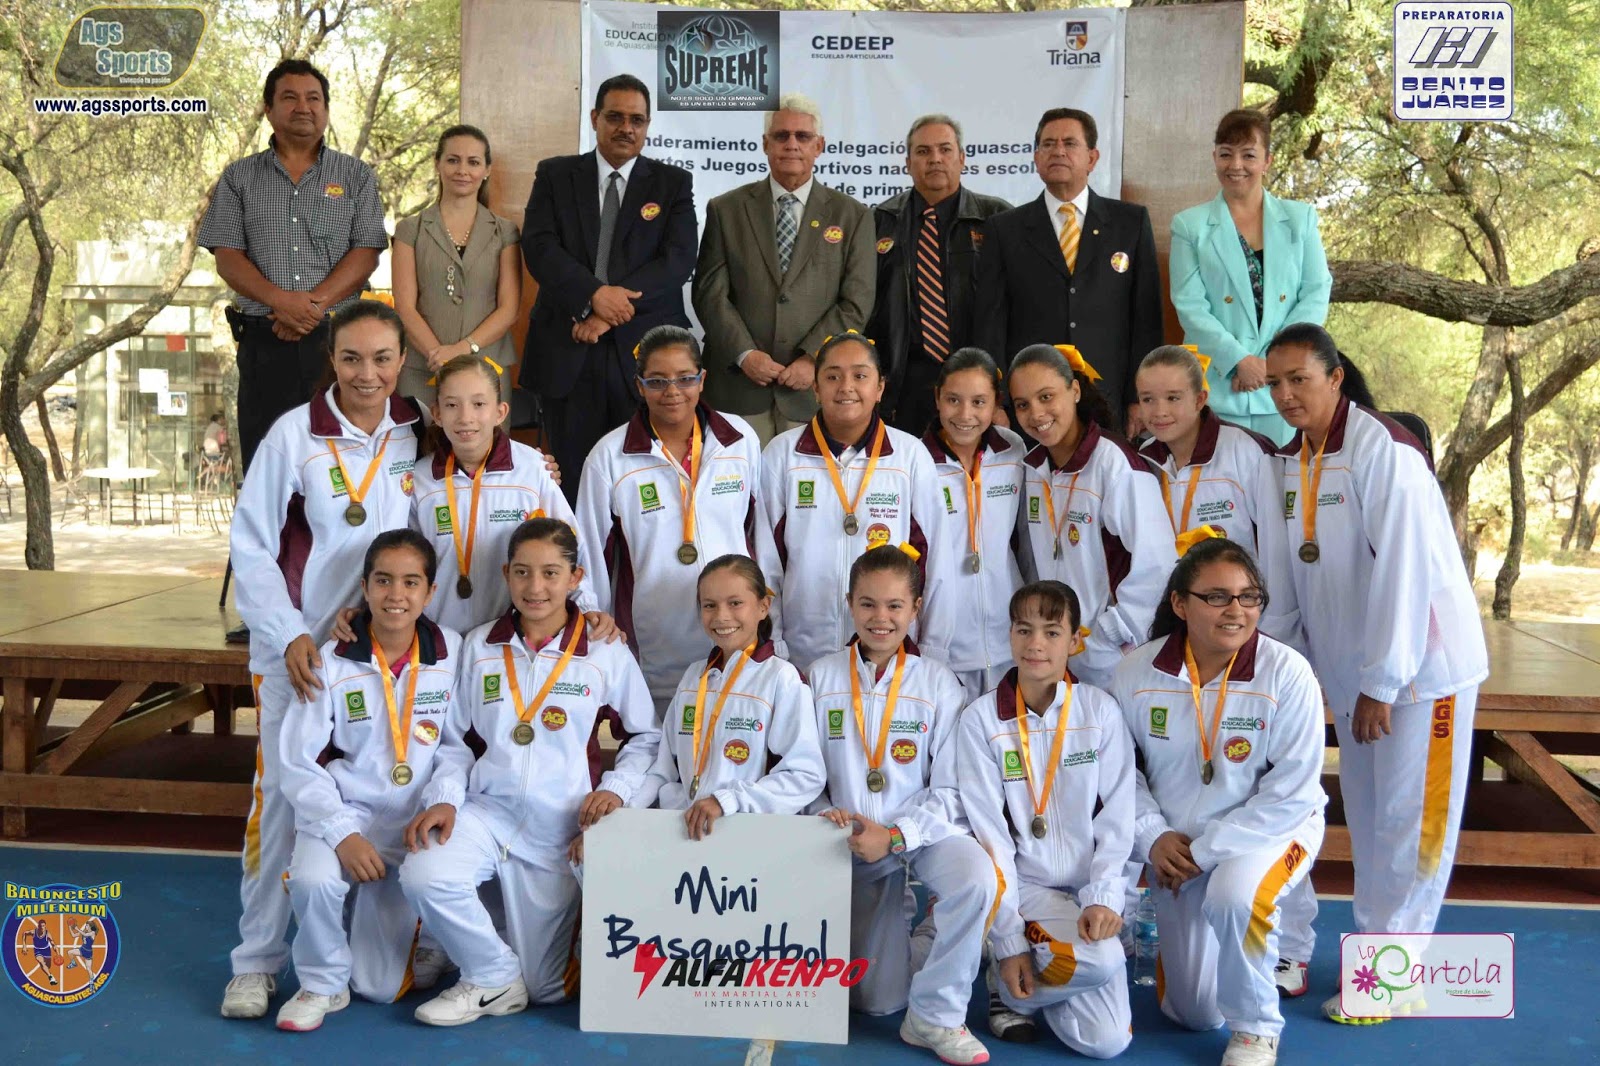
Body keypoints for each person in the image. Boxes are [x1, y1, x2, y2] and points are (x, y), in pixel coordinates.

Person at [1256, 323, 1487, 1025]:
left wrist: (1383, 683)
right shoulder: (1290, 462)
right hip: (1353, 678)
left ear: (1335, 376)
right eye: (1275, 382)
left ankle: (1392, 973)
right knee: (1369, 816)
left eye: (1299, 378)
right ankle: (1377, 950)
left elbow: (1405, 571)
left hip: (1423, 676)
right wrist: (1286, 673)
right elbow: (1284, 583)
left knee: (1411, 823)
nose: (1286, 394)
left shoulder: (1384, 450)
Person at [221, 300, 425, 1021]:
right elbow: (251, 545)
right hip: (301, 659)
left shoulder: (416, 432)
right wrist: (287, 635)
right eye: (351, 358)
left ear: (402, 361)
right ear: (330, 360)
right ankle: (255, 963)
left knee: (390, 789)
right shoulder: (293, 436)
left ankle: (384, 946)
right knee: (280, 803)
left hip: (383, 655)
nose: (367, 374)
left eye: (382, 359)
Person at [400, 518, 661, 1026]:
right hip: (487, 814)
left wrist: (617, 791)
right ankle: (492, 973)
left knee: (547, 992)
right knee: (424, 870)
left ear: (575, 577)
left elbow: (646, 737)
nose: (535, 586)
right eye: (522, 572)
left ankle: (505, 951)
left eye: (550, 573)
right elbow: (455, 741)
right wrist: (446, 798)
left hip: (558, 829)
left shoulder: (604, 649)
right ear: (506, 574)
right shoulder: (480, 645)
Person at [1110, 539, 1326, 1066]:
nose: (1237, 610)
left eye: (1249, 597)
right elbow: (1118, 774)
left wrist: (1206, 853)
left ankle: (1256, 1028)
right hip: (1175, 846)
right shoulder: (1135, 673)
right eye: (1218, 597)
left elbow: (1292, 790)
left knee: (1235, 898)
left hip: (1273, 832)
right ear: (1180, 604)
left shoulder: (1287, 672)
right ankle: (1220, 978)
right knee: (1194, 1013)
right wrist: (1153, 836)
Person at [809, 546, 997, 1066]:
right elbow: (806, 774)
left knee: (977, 878)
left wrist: (898, 835)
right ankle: (923, 935)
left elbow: (953, 789)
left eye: (895, 605)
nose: (881, 618)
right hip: (849, 844)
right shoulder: (819, 677)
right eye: (868, 604)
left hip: (921, 835)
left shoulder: (939, 682)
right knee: (875, 1000)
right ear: (849, 604)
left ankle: (935, 1015)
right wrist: (828, 817)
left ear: (915, 608)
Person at [275, 530, 468, 1032]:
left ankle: (423, 938)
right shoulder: (330, 658)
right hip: (347, 810)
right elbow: (297, 760)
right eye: (383, 581)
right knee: (313, 879)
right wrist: (342, 832)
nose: (395, 595)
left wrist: (444, 799)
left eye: (410, 582)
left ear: (430, 591)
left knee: (379, 987)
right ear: (364, 587)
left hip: (413, 819)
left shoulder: (451, 651)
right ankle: (321, 982)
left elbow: (457, 745)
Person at [956, 581, 1135, 1059]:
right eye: (1024, 629)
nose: (1036, 644)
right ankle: (1012, 970)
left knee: (1107, 1043)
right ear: (1009, 635)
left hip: (1088, 888)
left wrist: (1104, 895)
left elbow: (1118, 818)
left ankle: (1019, 991)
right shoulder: (981, 721)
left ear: (1075, 641)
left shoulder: (1099, 711)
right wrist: (1009, 936)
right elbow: (990, 837)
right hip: (1028, 889)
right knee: (1102, 961)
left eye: (1052, 632)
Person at [199, 59, 388, 470]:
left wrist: (311, 306)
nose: (304, 107)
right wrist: (281, 302)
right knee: (269, 465)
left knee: (344, 465)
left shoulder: (355, 175)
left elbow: (367, 251)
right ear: (269, 109)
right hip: (265, 343)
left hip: (341, 346)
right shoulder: (239, 178)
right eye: (290, 97)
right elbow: (227, 256)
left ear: (326, 109)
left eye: (313, 98)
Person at [522, 73, 697, 503]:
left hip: (642, 358)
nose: (626, 128)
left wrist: (605, 313)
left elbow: (677, 261)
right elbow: (540, 247)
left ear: (647, 125)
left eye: (637, 120)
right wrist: (592, 297)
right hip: (568, 350)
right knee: (571, 483)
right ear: (594, 118)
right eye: (615, 117)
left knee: (643, 486)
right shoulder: (555, 175)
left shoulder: (673, 183)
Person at [576, 327, 763, 712]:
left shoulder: (740, 439)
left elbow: (759, 534)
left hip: (736, 627)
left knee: (737, 730)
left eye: (685, 378)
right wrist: (595, 619)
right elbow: (590, 551)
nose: (673, 391)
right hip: (655, 637)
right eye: (658, 381)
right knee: (665, 735)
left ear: (702, 379)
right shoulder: (609, 457)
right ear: (639, 386)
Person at [756, 332, 950, 672]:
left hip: (890, 648)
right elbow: (766, 559)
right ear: (815, 388)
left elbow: (936, 557)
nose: (846, 387)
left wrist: (932, 647)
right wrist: (774, 639)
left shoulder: (909, 456)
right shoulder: (782, 455)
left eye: (860, 375)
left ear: (880, 388)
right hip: (803, 648)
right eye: (832, 376)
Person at [694, 93, 876, 445]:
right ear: (766, 144)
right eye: (781, 136)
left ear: (819, 146)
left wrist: (814, 359)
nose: (792, 144)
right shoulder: (726, 209)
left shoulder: (853, 215)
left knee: (812, 482)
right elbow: (709, 294)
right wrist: (745, 354)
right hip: (738, 387)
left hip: (815, 391)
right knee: (737, 482)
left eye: (802, 136)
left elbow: (857, 301)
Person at [974, 108, 1161, 435]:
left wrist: (1140, 398)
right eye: (1048, 144)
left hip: (1108, 397)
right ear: (1036, 158)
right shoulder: (1005, 229)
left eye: (1070, 143)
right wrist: (997, 400)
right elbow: (991, 324)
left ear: (1092, 158)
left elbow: (1146, 321)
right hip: (1031, 402)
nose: (1058, 151)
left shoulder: (1129, 223)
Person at [1009, 344, 1176, 688]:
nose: (1036, 413)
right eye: (1022, 404)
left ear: (1074, 390)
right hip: (1057, 654)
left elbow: (1158, 564)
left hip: (1111, 656)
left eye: (1046, 397)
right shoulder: (1033, 467)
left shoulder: (1115, 464)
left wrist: (1109, 634)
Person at [1168, 109, 1333, 445]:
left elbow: (1316, 292)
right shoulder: (1190, 226)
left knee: (1286, 476)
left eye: (1248, 155)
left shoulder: (1300, 219)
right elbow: (1190, 307)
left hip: (1286, 389)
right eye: (1226, 154)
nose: (1236, 165)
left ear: (1267, 161)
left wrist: (1269, 364)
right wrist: (1238, 361)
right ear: (1214, 157)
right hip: (1218, 387)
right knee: (1217, 476)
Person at [408, 355, 602, 636]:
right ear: (437, 414)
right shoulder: (420, 480)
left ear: (500, 412)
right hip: (441, 636)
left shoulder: (532, 470)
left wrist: (587, 606)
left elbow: (571, 546)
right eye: (451, 405)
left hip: (513, 640)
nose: (465, 417)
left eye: (478, 404)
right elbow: (407, 559)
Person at [650, 554, 825, 838]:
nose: (721, 616)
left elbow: (805, 775)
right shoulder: (694, 677)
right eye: (709, 605)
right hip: (687, 835)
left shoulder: (782, 678)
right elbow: (663, 768)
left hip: (750, 840)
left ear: (763, 607)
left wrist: (728, 801)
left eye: (735, 603)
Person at [865, 115, 1010, 433]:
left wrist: (1003, 394)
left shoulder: (997, 218)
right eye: (923, 151)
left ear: (962, 158)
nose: (935, 159)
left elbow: (1015, 307)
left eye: (945, 149)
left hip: (977, 379)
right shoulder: (880, 221)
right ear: (907, 163)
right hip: (903, 383)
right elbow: (865, 308)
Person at [919, 348, 1027, 694]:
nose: (965, 415)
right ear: (937, 398)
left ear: (996, 404)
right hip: (944, 641)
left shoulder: (1013, 451)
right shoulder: (917, 462)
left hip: (1007, 637)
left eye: (979, 402)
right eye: (953, 400)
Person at [393, 125, 523, 409]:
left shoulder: (505, 232)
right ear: (437, 164)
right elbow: (404, 306)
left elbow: (509, 309)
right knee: (421, 438)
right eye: (453, 160)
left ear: (487, 169)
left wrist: (461, 351)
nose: (462, 170)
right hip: (423, 368)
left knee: (485, 440)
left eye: (473, 162)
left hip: (487, 369)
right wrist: (438, 355)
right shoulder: (410, 229)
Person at [1134, 345, 1280, 558]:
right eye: (1148, 399)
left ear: (1199, 400)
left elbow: (1279, 542)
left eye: (1173, 398)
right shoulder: (1141, 461)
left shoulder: (1246, 450)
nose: (1159, 411)